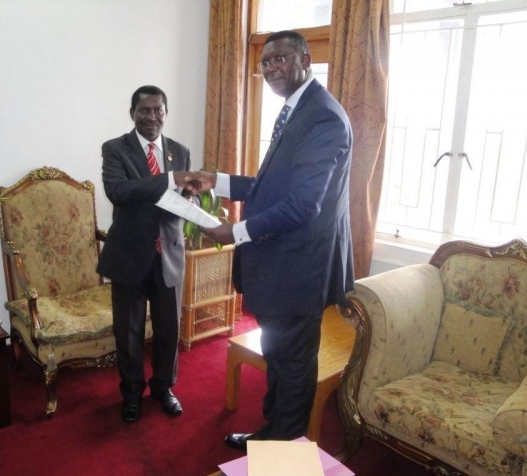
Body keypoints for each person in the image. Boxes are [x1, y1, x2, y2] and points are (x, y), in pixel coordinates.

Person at [184, 30, 354, 449]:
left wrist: (234, 233)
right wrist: (216, 180)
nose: (272, 67)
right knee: (278, 358)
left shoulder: (323, 117)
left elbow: (302, 206)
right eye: (266, 62)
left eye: (282, 58)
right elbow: (270, 186)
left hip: (299, 269)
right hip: (282, 265)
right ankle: (270, 436)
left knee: (293, 368)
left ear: (305, 60)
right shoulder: (296, 110)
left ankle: (281, 457)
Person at [97, 85, 192, 424]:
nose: (152, 117)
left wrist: (192, 202)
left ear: (166, 113)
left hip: (168, 255)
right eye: (144, 110)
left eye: (158, 110)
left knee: (169, 330)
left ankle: (164, 388)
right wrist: (169, 180)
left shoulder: (180, 152)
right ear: (132, 113)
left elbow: (183, 196)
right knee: (130, 331)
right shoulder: (115, 150)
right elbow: (118, 192)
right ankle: (132, 393)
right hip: (129, 257)